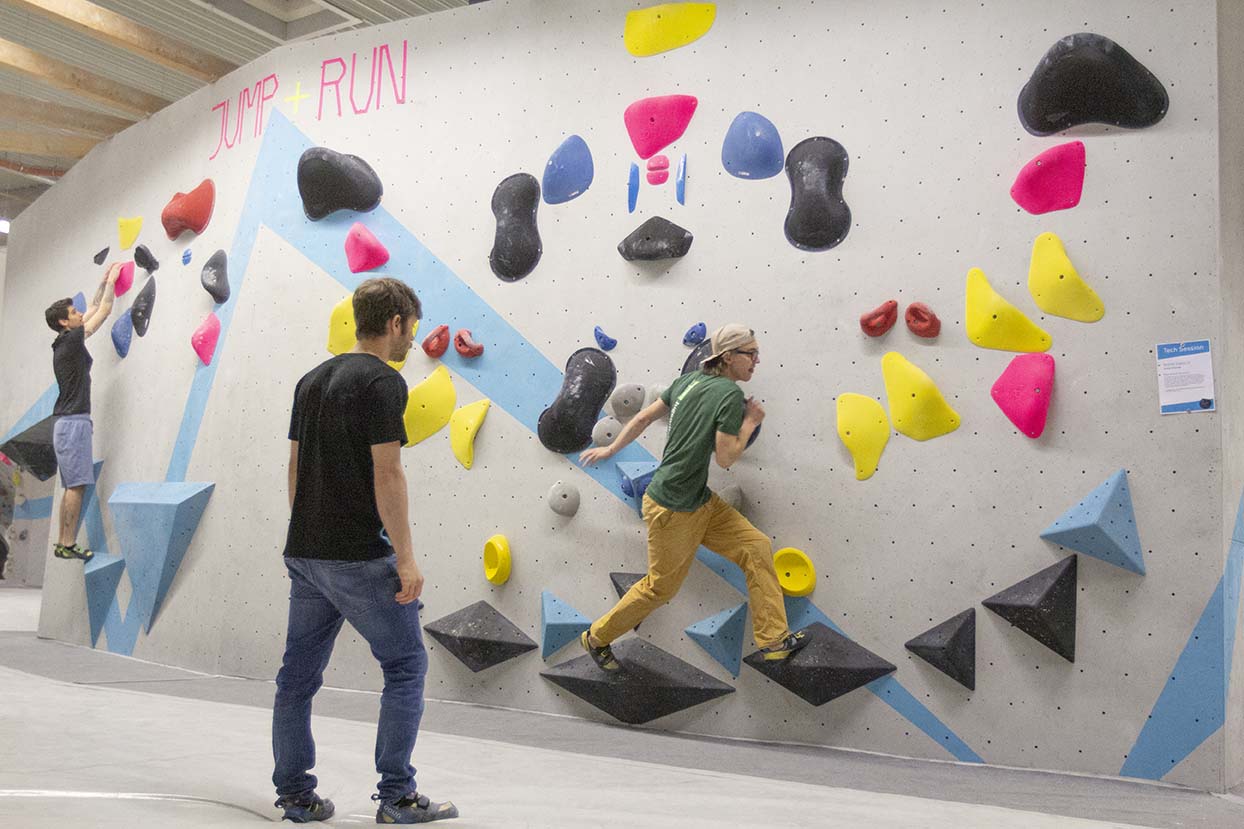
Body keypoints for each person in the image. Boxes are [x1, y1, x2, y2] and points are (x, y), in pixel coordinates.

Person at [271, 277, 458, 825]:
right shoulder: (383, 382)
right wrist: (405, 557)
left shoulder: (311, 380)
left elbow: (295, 467)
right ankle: (398, 797)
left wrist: (306, 529)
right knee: (405, 666)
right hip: (358, 557)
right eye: (410, 330)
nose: (409, 342)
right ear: (395, 323)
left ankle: (296, 796)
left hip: (306, 554)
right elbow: (388, 472)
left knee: (296, 678)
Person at [579, 324, 808, 671]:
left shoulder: (685, 383)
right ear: (728, 357)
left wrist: (612, 447)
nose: (756, 361)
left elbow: (642, 416)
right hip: (673, 508)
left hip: (698, 500)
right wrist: (750, 422)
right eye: (751, 354)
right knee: (660, 589)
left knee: (755, 547)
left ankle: (774, 641)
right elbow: (726, 458)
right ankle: (596, 638)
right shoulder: (729, 395)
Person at [44, 262, 121, 562]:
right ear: (65, 323)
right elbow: (102, 312)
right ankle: (68, 542)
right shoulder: (73, 340)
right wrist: (113, 283)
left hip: (66, 423)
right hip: (73, 423)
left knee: (71, 485)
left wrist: (102, 283)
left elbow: (90, 306)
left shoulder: (64, 342)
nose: (78, 314)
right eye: (72, 314)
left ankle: (65, 542)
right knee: (75, 486)